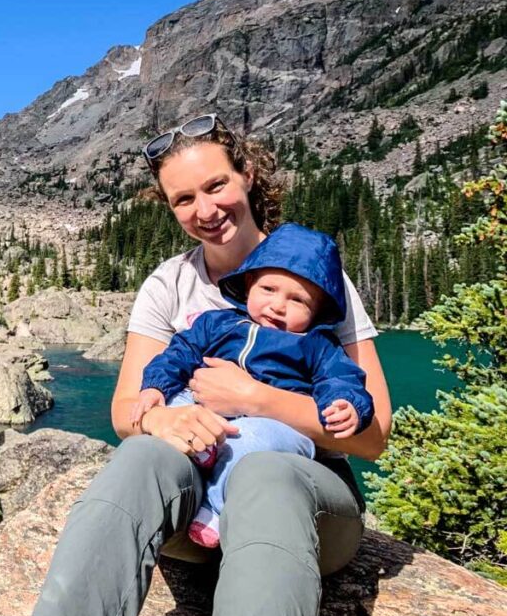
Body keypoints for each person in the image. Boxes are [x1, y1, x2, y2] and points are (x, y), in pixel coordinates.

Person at [11, 114, 392, 616]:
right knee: (141, 459)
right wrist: (157, 418)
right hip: (191, 518)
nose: (206, 210)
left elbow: (373, 435)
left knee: (267, 472)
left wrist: (258, 400)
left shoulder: (318, 275)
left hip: (303, 510)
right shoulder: (169, 285)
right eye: (183, 199)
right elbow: (127, 410)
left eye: (216, 185)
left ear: (248, 177)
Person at [133, 223, 374, 547]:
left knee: (254, 442)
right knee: (176, 406)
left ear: (317, 311)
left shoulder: (317, 345)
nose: (278, 305)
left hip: (273, 425)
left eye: (298, 300)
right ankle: (202, 452)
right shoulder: (217, 323)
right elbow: (180, 352)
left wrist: (348, 404)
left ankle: (215, 509)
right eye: (269, 290)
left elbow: (342, 379)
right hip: (205, 407)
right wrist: (156, 388)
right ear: (249, 284)